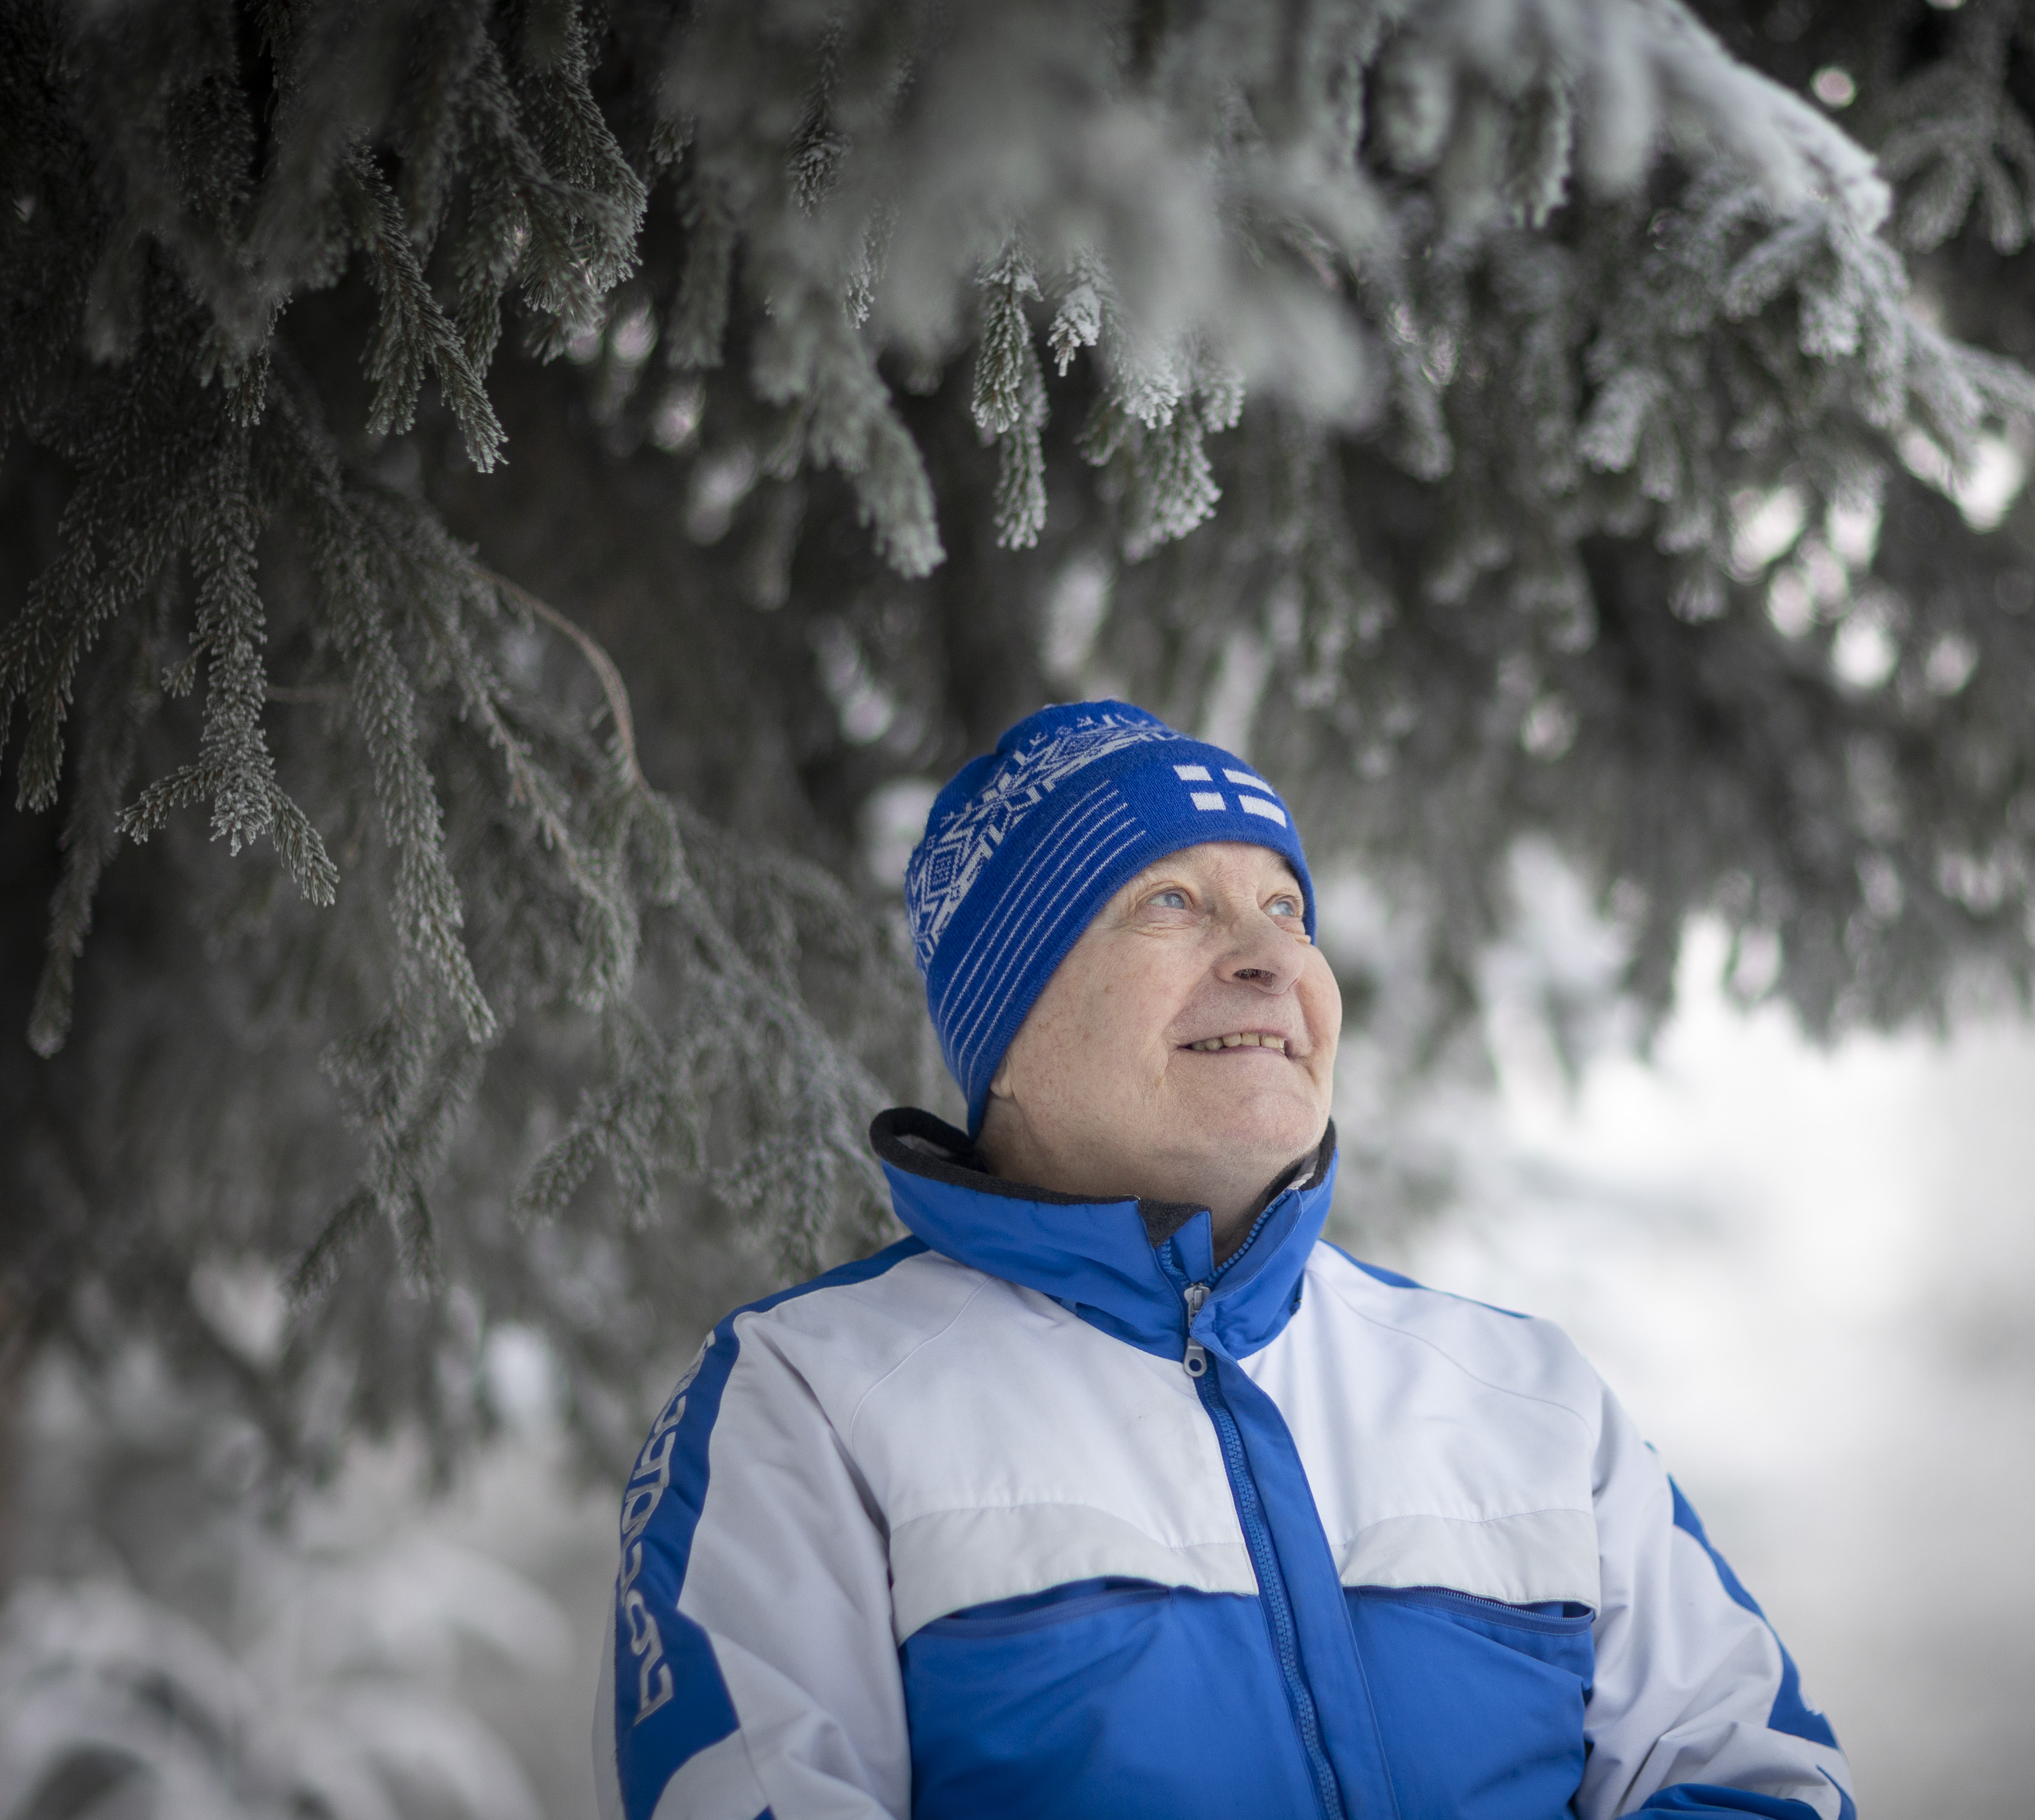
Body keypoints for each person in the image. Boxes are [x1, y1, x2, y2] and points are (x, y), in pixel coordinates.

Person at [598, 701, 1853, 1820]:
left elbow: (1759, 1779)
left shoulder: (1526, 1395)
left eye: (1285, 908)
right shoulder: (809, 1400)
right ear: (1011, 1023)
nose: (1268, 956)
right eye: (1173, 903)